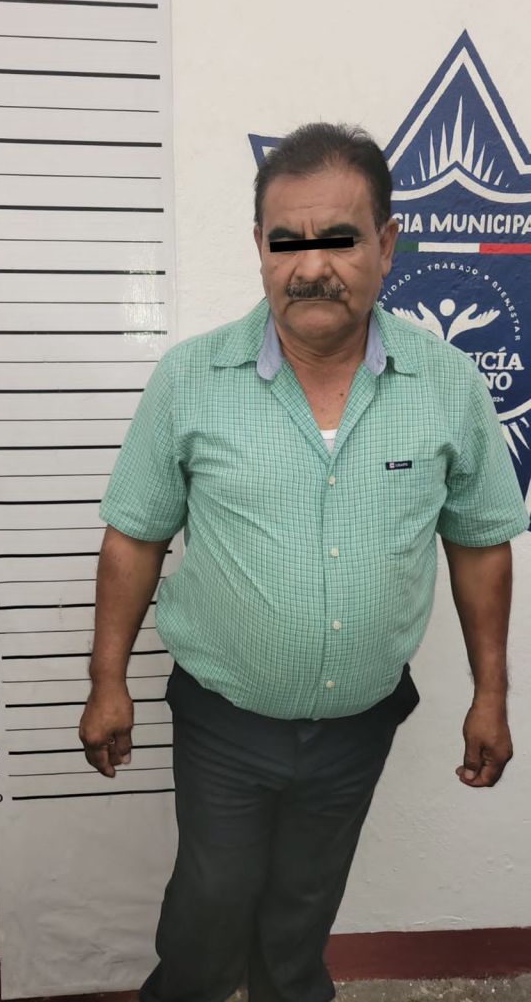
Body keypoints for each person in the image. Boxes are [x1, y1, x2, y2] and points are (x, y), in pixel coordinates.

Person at [79, 122, 529, 1002]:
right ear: (258, 246)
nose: (311, 267)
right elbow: (134, 536)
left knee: (301, 917)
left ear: (387, 245)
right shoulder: (190, 379)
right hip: (223, 722)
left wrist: (491, 694)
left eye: (341, 240)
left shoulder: (447, 385)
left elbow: (480, 543)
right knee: (208, 912)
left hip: (359, 726)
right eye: (287, 241)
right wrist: (108, 681)